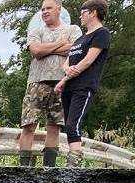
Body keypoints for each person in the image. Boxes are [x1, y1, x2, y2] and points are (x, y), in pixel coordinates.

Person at [18, 0, 81, 167]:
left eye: (49, 8)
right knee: (28, 124)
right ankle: (23, 169)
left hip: (63, 83)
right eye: (42, 9)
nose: (45, 11)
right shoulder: (35, 30)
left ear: (59, 9)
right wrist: (60, 44)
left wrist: (47, 48)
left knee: (54, 126)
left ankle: (49, 169)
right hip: (36, 82)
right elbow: (36, 51)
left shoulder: (72, 29)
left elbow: (75, 50)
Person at [54, 0, 111, 167]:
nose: (80, 15)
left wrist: (67, 75)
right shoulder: (80, 39)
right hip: (69, 86)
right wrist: (67, 72)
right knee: (68, 125)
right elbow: (67, 61)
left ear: (93, 12)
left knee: (73, 125)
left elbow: (88, 61)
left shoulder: (102, 33)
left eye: (83, 12)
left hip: (84, 86)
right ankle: (72, 164)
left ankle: (74, 163)